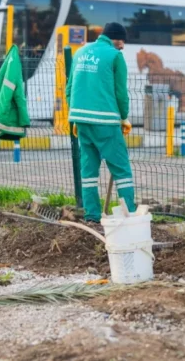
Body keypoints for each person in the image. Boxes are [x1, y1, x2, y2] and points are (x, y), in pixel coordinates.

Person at [66, 22, 135, 222]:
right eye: (122, 43)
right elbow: (121, 94)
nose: (123, 47)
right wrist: (123, 117)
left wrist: (77, 116)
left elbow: (70, 88)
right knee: (121, 168)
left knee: (88, 170)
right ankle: (129, 214)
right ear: (117, 39)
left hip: (81, 120)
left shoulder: (80, 53)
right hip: (105, 121)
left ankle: (92, 216)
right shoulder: (115, 56)